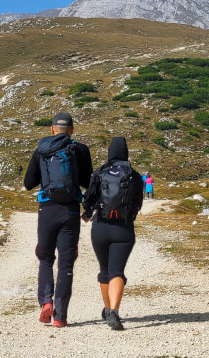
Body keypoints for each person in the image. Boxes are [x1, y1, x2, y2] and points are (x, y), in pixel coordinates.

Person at [23, 112, 93, 328]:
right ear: (72, 130)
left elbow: (28, 183)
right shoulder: (80, 150)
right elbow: (88, 183)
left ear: (52, 129)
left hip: (47, 210)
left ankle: (46, 301)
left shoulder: (41, 149)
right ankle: (60, 317)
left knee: (45, 257)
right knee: (66, 262)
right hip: (70, 211)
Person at [82, 137, 144, 331]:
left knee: (104, 270)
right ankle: (114, 312)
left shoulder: (100, 172)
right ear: (126, 153)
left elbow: (88, 197)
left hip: (100, 227)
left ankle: (107, 308)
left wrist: (87, 213)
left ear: (110, 152)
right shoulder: (134, 175)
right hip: (123, 229)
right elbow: (138, 204)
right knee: (117, 271)